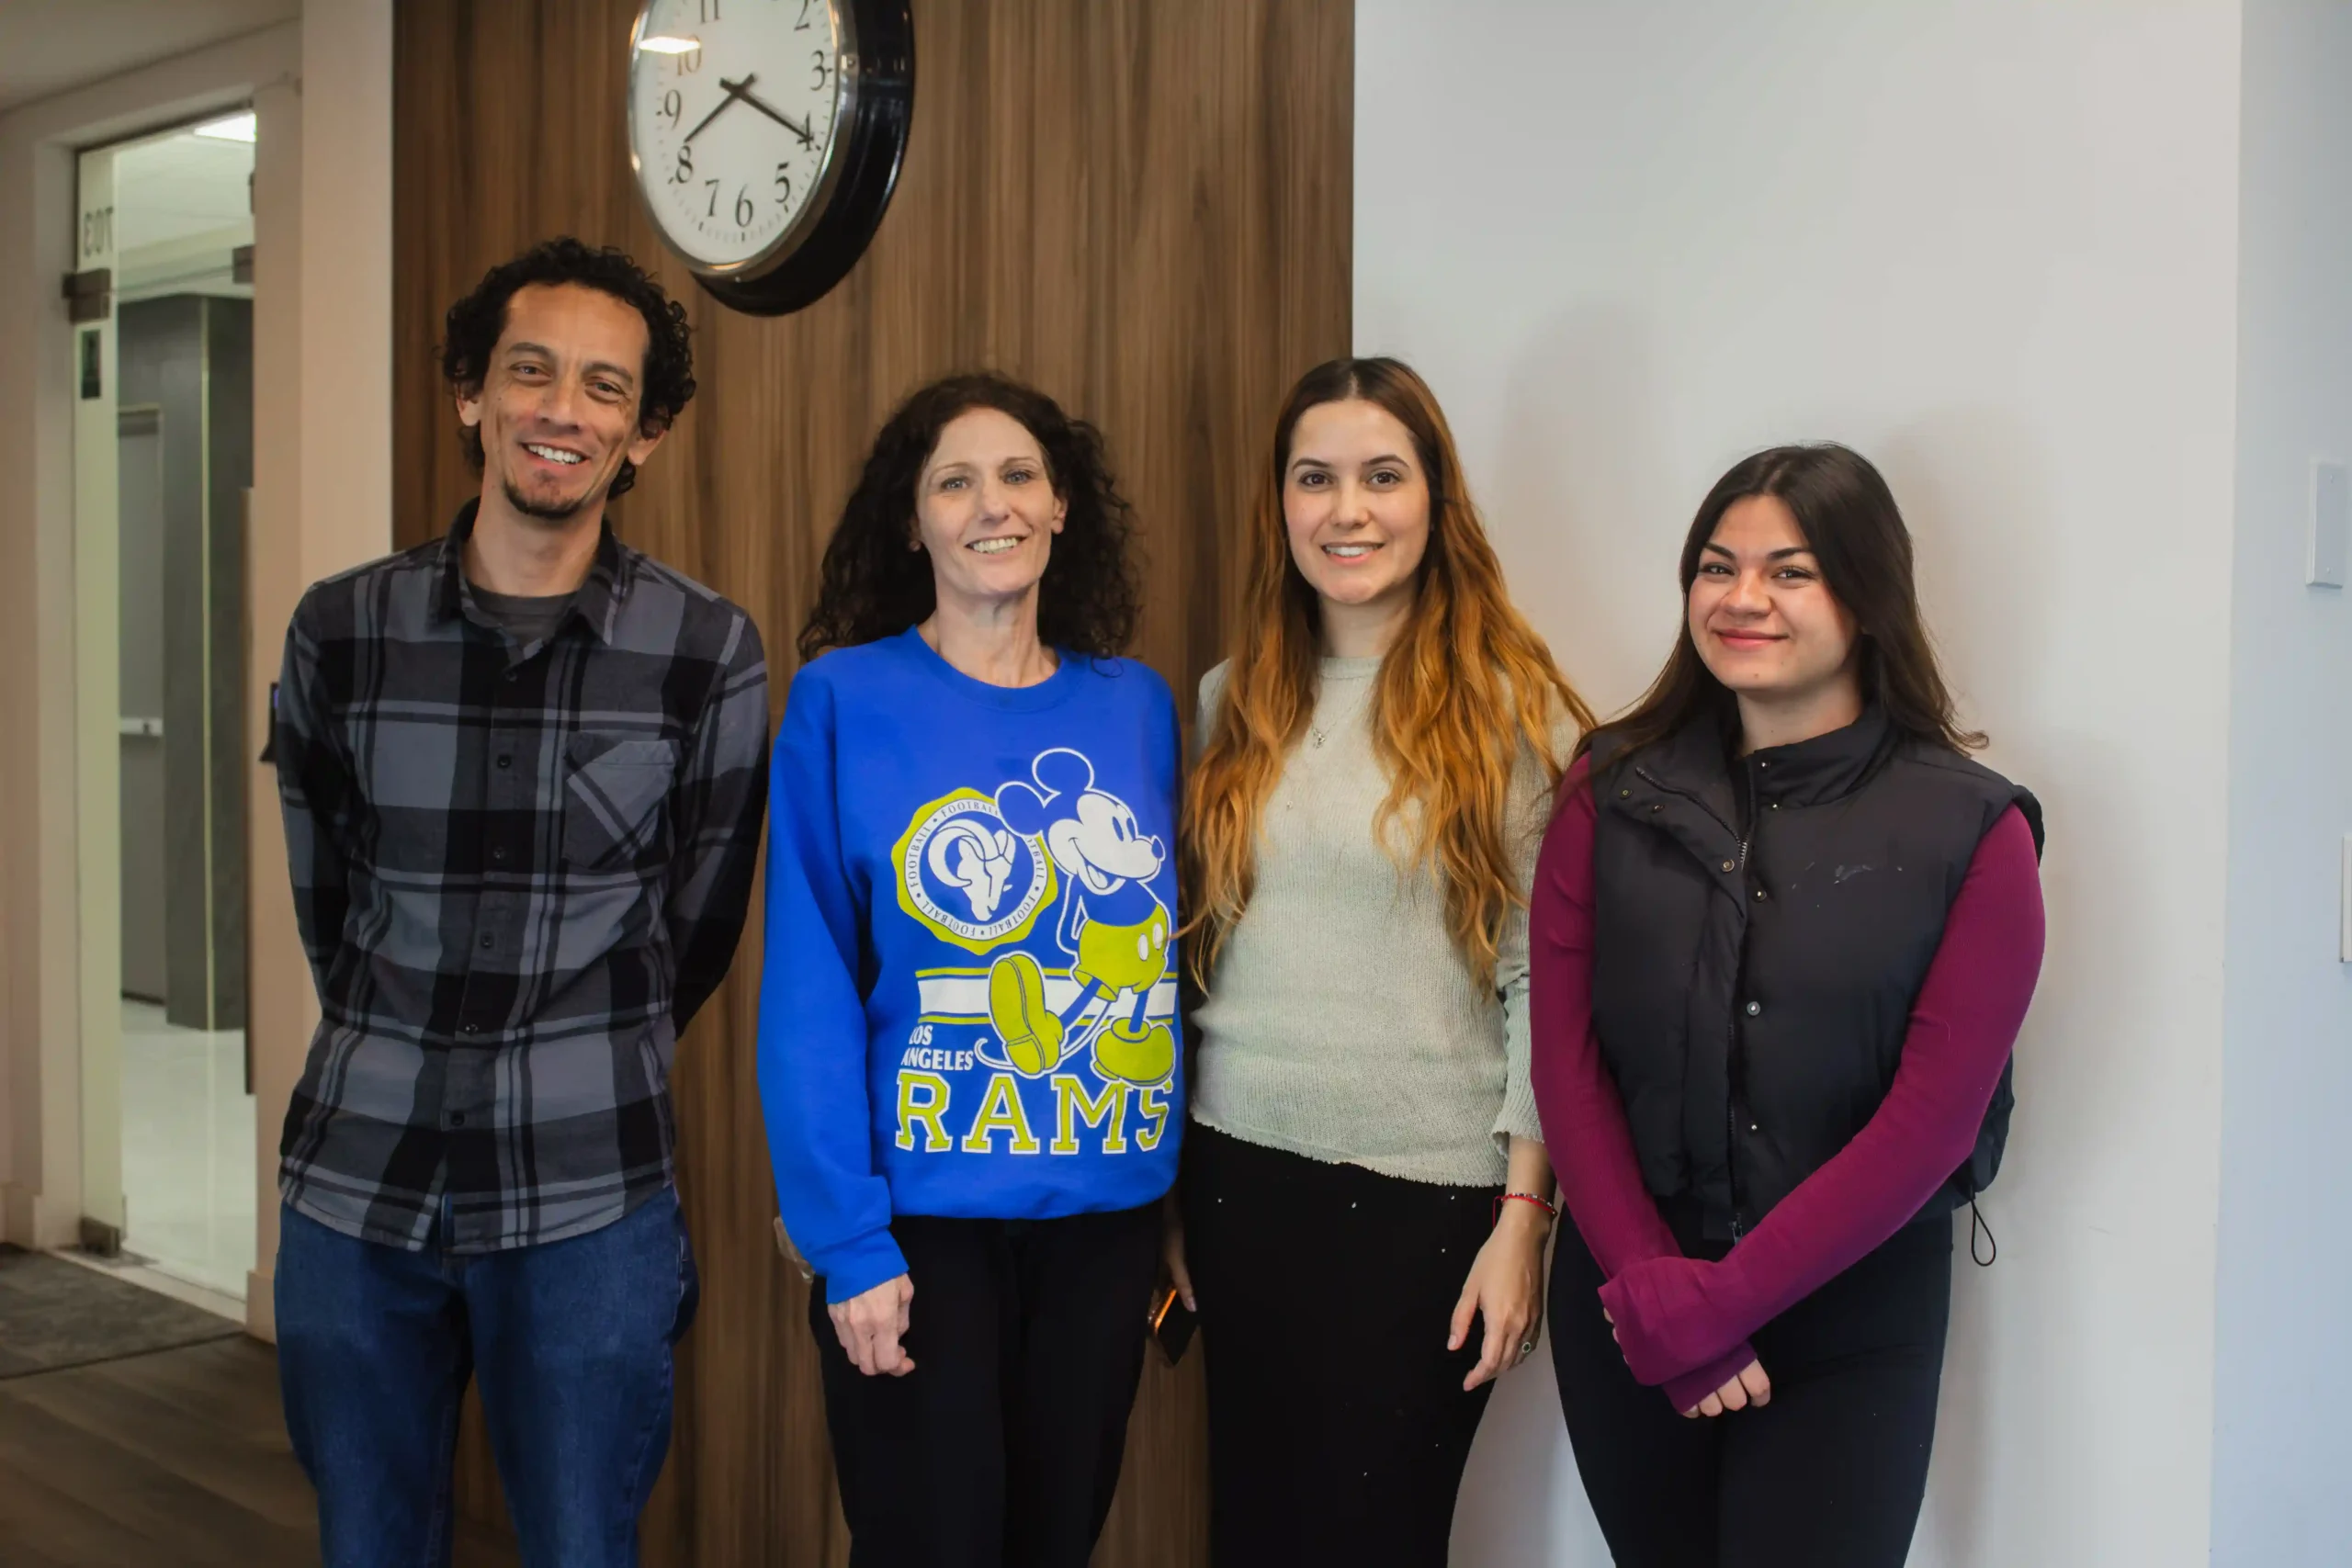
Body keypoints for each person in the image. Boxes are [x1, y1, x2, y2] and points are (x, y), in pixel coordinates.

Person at [270, 237, 770, 1568]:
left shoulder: (707, 651)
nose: (565, 409)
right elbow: (327, 889)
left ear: (645, 433)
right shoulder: (341, 629)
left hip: (589, 1193)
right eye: (530, 372)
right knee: (368, 1542)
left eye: (606, 388)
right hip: (358, 1184)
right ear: (471, 397)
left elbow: (699, 925)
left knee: (581, 1546)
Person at [1532, 444, 2047, 1568]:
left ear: (1865, 596)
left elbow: (1933, 1122)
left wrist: (1722, 1307)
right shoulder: (1607, 786)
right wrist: (1651, 1291)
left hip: (1849, 1323)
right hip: (1633, 1295)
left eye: (1790, 571)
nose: (1742, 598)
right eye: (1716, 567)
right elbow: (1565, 1064)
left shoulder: (1973, 829)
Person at [1165, 356, 1594, 1566]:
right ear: (1281, 504)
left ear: (1434, 498)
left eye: (1381, 475)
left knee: (1374, 1537)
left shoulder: (1513, 712)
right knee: (1252, 1534)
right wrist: (1169, 1196)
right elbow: (1199, 959)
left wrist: (1527, 1217)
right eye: (1316, 477)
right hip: (1236, 1179)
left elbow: (1544, 984)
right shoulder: (1228, 700)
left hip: (1428, 1202)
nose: (1346, 508)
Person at [757, 373, 1181, 1568]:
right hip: (920, 1228)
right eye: (954, 479)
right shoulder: (844, 698)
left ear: (1059, 510)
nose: (989, 503)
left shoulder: (1136, 707)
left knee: (1055, 1542)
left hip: (1106, 1223)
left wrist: (1177, 1203)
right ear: (913, 521)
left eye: (1018, 476)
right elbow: (808, 984)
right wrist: (847, 1236)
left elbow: (1169, 959)